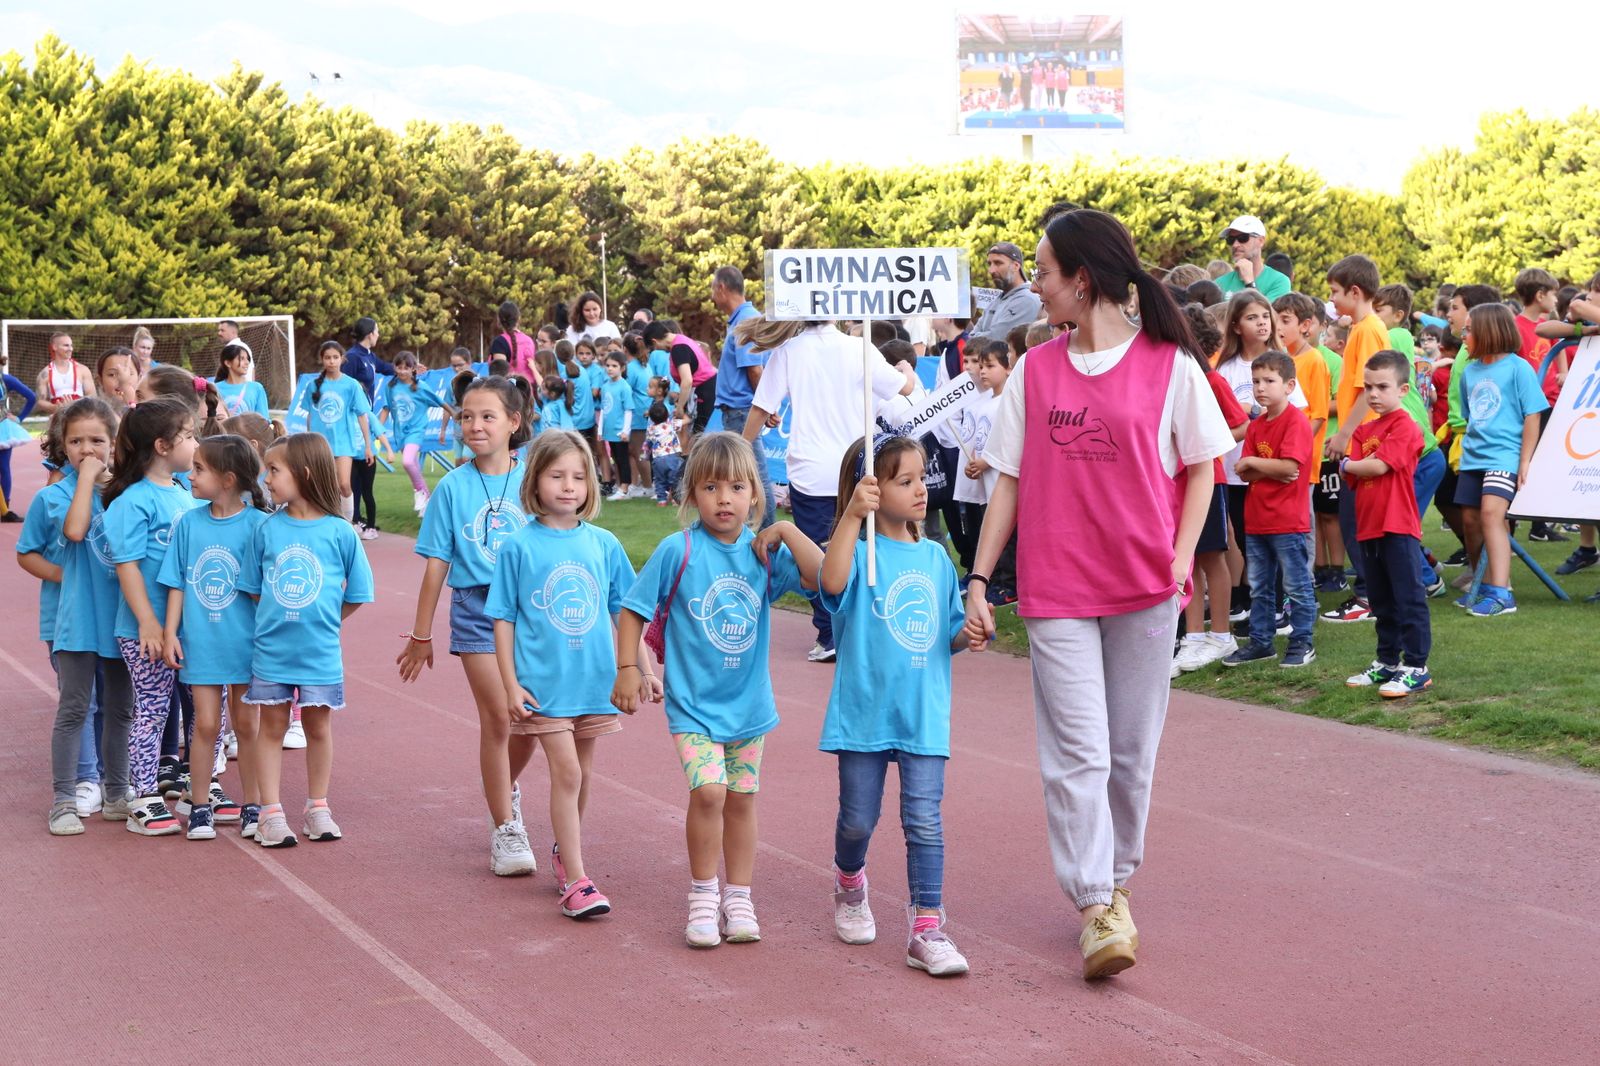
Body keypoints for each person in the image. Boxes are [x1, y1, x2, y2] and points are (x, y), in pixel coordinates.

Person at [962, 208, 1233, 981]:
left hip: (1146, 588)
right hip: (1057, 587)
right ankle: (1096, 902)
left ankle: (1116, 880)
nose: (1033, 287)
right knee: (1075, 750)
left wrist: (1180, 560)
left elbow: (1204, 465)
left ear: (1082, 280)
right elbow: (1008, 479)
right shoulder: (1036, 371)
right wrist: (980, 579)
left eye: (1043, 273)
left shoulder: (1169, 365)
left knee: (1129, 752)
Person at [614, 433, 823, 948]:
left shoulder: (763, 554)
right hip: (694, 707)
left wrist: (786, 531)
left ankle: (740, 897)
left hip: (750, 707)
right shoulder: (678, 549)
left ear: (756, 493)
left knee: (742, 800)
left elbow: (824, 580)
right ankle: (704, 896)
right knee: (710, 792)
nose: (724, 498)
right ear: (692, 495)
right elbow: (633, 609)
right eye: (710, 487)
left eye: (736, 487)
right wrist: (628, 668)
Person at [819, 433, 971, 976]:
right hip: (864, 710)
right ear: (873, 490)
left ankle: (926, 927)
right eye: (903, 481)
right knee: (859, 819)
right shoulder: (858, 554)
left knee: (924, 821)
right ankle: (849, 879)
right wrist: (852, 518)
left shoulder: (935, 559)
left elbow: (947, 632)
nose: (920, 490)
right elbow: (830, 581)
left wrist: (970, 633)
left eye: (921, 477)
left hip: (922, 712)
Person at [487, 431, 643, 919]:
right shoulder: (518, 546)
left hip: (594, 682)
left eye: (579, 476)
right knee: (568, 770)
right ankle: (576, 879)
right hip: (544, 686)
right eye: (557, 476)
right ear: (535, 481)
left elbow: (626, 610)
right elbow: (504, 618)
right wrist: (510, 683)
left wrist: (640, 667)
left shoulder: (604, 543)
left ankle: (562, 853)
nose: (569, 486)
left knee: (585, 772)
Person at [400, 375, 538, 875]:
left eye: (487, 416)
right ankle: (505, 827)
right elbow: (436, 563)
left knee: (534, 720)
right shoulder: (452, 488)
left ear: (514, 423)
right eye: (466, 416)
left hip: (534, 612)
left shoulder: (533, 479)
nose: (474, 425)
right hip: (478, 610)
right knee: (501, 715)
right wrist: (421, 634)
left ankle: (502, 787)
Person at [742, 318, 916, 662]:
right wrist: (907, 370)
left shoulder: (789, 351)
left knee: (817, 554)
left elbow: (761, 408)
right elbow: (904, 388)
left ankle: (829, 632)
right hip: (857, 466)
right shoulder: (858, 347)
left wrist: (738, 450)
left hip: (811, 470)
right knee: (864, 550)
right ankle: (865, 627)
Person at [240, 433, 376, 848]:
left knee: (318, 725)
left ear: (304, 473)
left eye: (274, 470)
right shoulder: (266, 530)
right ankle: (270, 813)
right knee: (274, 726)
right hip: (272, 650)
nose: (266, 478)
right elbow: (254, 588)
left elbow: (357, 594)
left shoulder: (340, 532)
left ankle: (318, 807)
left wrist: (323, 622)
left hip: (320, 651)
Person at [30, 399, 136, 835]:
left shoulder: (129, 492)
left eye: (97, 440)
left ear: (115, 443)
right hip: (77, 624)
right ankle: (64, 799)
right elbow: (74, 531)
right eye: (76, 441)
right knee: (75, 709)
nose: (86, 449)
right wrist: (86, 481)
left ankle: (117, 792)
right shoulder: (53, 496)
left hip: (123, 621)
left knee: (120, 710)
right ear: (62, 444)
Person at [157, 434, 267, 839]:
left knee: (247, 724)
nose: (191, 473)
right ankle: (200, 805)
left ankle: (255, 804)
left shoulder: (259, 525)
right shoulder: (190, 523)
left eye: (199, 468)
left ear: (228, 478)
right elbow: (177, 583)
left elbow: (263, 592)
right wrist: (170, 633)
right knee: (204, 725)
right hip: (202, 643)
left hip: (246, 644)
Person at [101, 397, 202, 836]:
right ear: (162, 446)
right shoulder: (132, 501)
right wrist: (148, 622)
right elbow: (127, 565)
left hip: (190, 628)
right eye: (190, 436)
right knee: (153, 709)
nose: (197, 444)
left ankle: (200, 785)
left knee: (199, 706)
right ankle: (142, 796)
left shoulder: (185, 493)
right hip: (147, 630)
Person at [1341, 351, 1432, 697]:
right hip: (1369, 525)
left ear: (1403, 389)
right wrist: (1355, 463)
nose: (1374, 394)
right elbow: (1362, 463)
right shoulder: (1364, 430)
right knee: (1381, 599)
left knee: (1407, 596)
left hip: (1398, 524)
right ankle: (1387, 661)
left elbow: (1376, 466)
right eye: (1368, 387)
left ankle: (1416, 666)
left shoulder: (1406, 426)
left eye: (1382, 386)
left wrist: (1349, 465)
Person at [1222, 351, 1317, 667]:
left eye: (1269, 381)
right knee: (1260, 588)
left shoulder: (1296, 422)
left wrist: (1256, 464)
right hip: (1257, 519)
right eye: (1256, 382)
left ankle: (1302, 640)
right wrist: (1266, 467)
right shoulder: (1257, 426)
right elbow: (1243, 471)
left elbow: (1290, 468)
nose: (1260, 388)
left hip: (1288, 521)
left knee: (1297, 585)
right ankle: (1262, 643)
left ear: (1289, 385)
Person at [1454, 303, 1547, 616]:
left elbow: (1533, 414)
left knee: (1493, 515)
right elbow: (1471, 418)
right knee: (1470, 522)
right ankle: (1485, 581)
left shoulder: (1518, 368)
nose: (1463, 335)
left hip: (1504, 457)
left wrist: (1525, 461)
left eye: (1469, 329)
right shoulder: (1469, 372)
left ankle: (1501, 592)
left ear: (1488, 332)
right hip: (1472, 459)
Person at [1172, 305, 1247, 675]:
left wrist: (1204, 444)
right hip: (1175, 482)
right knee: (1186, 561)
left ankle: (1221, 634)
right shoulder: (1170, 379)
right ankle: (1194, 636)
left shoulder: (1211, 380)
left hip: (1208, 480)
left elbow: (1239, 424)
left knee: (1211, 557)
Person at [1322, 255, 1391, 624]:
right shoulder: (1364, 328)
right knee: (1355, 520)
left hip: (1363, 442)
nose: (1331, 300)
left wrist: (1344, 433)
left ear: (1354, 291)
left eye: (1334, 292)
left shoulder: (1366, 330)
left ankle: (1367, 595)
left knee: (1355, 522)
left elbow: (1369, 388)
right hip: (1362, 440)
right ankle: (1371, 592)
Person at [711, 266, 775, 528]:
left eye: (713, 289)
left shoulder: (746, 321)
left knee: (753, 475)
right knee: (750, 474)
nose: (712, 296)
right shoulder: (744, 319)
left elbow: (755, 370)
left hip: (741, 411)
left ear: (722, 288)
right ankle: (760, 530)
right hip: (740, 409)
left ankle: (767, 533)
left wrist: (766, 408)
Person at [307, 340, 375, 536]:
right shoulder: (314, 385)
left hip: (344, 444)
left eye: (335, 357)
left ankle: (348, 525)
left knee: (344, 485)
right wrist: (309, 441)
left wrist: (368, 446)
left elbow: (363, 415)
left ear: (342, 359)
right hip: (320, 445)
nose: (331, 361)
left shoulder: (351, 385)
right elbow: (311, 415)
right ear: (322, 360)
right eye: (327, 358)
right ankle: (327, 526)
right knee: (323, 488)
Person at [381, 351, 455, 515]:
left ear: (413, 369)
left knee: (407, 462)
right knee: (413, 466)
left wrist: (455, 415)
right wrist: (378, 430)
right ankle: (427, 499)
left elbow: (440, 402)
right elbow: (386, 409)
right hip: (401, 434)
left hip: (416, 431)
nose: (402, 371)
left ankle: (420, 493)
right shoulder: (391, 387)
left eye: (406, 368)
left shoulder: (420, 387)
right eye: (398, 367)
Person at [341, 317, 394, 538]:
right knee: (351, 480)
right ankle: (353, 519)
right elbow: (344, 386)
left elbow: (385, 367)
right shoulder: (352, 357)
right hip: (353, 423)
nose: (379, 334)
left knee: (363, 477)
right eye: (377, 330)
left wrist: (406, 370)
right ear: (369, 333)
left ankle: (360, 520)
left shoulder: (370, 356)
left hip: (366, 422)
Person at [643, 321, 719, 437]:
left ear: (654, 341)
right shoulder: (681, 339)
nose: (657, 349)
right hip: (705, 389)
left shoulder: (678, 348)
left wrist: (679, 408)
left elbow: (687, 380)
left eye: (654, 347)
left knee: (700, 436)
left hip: (705, 391)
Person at [971, 242, 1042, 346]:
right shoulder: (997, 300)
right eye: (989, 264)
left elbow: (996, 340)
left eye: (998, 263)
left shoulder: (1027, 300)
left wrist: (977, 337)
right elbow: (972, 337)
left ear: (1016, 266)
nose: (991, 270)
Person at [1214, 216, 1290, 301]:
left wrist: (1250, 282)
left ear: (1261, 241)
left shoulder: (1279, 281)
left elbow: (1264, 313)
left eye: (1243, 238)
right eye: (1230, 240)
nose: (1235, 245)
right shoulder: (1219, 284)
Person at [0, 354, 37, 521]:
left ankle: (4, 509)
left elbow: (32, 397)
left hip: (2, 428)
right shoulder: (5, 379)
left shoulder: (5, 379)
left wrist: (19, 418)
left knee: (3, 467)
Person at [598, 353, 634, 502]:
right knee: (616, 458)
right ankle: (621, 486)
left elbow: (628, 410)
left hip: (620, 431)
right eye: (608, 365)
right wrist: (600, 430)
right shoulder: (605, 386)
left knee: (622, 459)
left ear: (622, 368)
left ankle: (625, 487)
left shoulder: (624, 387)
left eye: (614, 366)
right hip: (609, 431)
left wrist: (626, 431)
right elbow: (603, 409)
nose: (610, 369)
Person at [34, 332, 97, 415]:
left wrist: (75, 404)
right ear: (54, 347)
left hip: (80, 415)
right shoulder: (45, 373)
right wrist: (55, 408)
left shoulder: (83, 369)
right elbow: (40, 401)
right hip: (57, 418)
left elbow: (93, 395)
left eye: (71, 345)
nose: (70, 349)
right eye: (66, 345)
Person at [644, 398, 686, 506]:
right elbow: (685, 421)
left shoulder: (651, 429)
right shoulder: (671, 425)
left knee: (659, 480)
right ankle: (675, 499)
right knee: (675, 479)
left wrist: (645, 455)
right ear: (667, 415)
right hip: (672, 456)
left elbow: (647, 443)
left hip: (657, 458)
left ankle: (661, 500)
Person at [214, 342, 270, 419]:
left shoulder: (256, 388)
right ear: (228, 363)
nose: (247, 362)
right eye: (242, 359)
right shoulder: (215, 389)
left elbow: (264, 419)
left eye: (247, 359)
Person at [489, 300, 538, 379]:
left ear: (499, 320)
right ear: (518, 319)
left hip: (509, 388)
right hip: (529, 387)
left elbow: (499, 375)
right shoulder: (529, 340)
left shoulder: (499, 342)